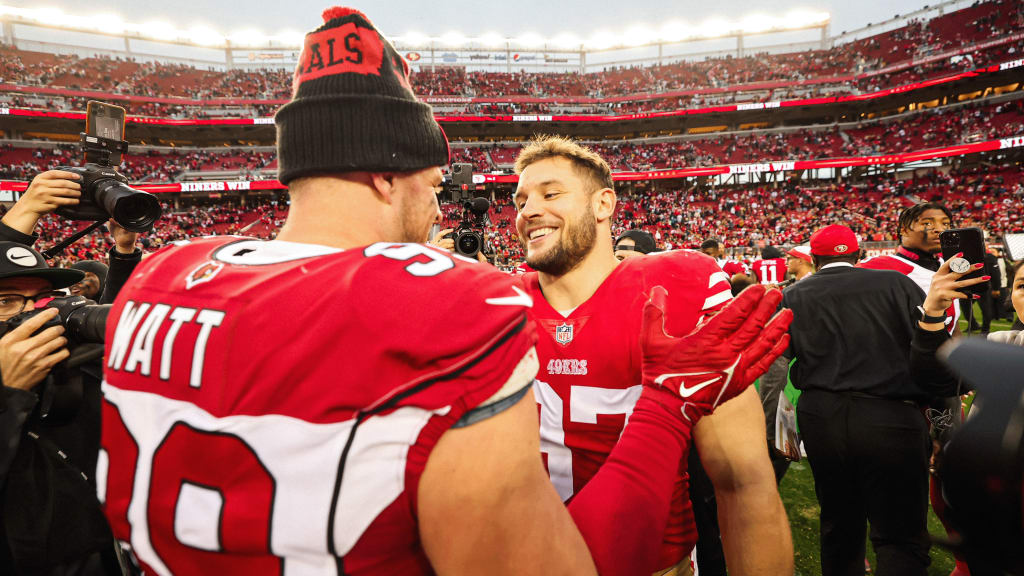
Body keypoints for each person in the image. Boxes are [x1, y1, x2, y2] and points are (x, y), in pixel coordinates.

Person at [99, 8, 791, 575]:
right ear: (386, 174)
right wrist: (667, 405)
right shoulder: (457, 301)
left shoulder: (160, 277)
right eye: (435, 187)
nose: (440, 211)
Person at [513, 135, 793, 576]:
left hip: (652, 563)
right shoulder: (496, 303)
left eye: (551, 193)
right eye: (521, 199)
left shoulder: (678, 285)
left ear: (604, 204)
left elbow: (742, 481)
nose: (528, 210)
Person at [783, 224, 938, 576]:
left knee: (839, 524)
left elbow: (778, 361)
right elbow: (931, 353)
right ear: (857, 253)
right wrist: (942, 425)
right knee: (901, 534)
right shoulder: (896, 284)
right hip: (891, 414)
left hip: (822, 415)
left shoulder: (794, 295)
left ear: (815, 257)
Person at [858, 201, 968, 576]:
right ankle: (884, 548)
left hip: (938, 384)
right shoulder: (878, 266)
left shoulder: (952, 268)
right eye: (927, 222)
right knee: (889, 482)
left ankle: (964, 557)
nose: (939, 228)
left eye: (945, 222)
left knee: (952, 475)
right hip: (893, 389)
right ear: (903, 227)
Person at [0, 242, 120, 574]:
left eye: (41, 299)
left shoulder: (71, 367)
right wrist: (7, 392)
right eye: (6, 301)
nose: (31, 314)